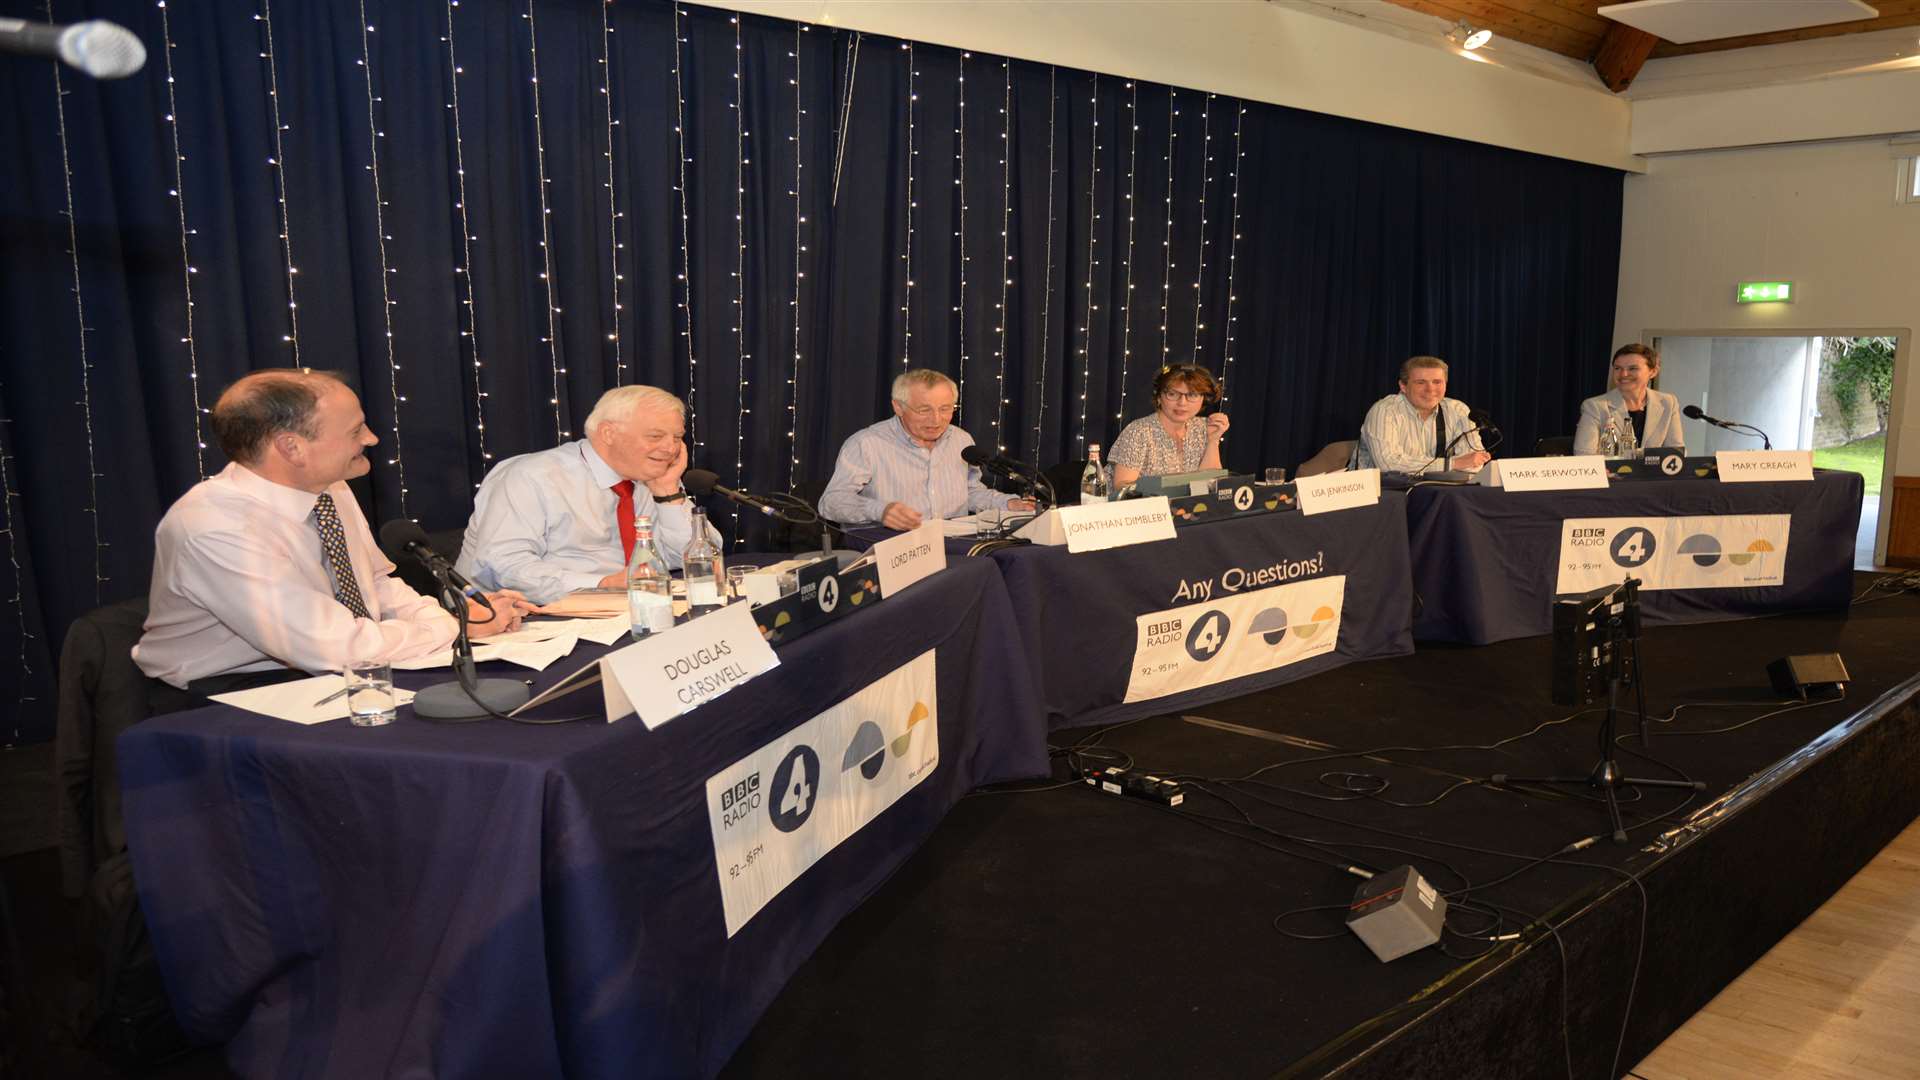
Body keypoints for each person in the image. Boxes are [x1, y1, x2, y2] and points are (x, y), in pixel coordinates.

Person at [134, 370, 533, 693]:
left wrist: (459, 618)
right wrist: (453, 625)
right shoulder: (215, 527)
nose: (371, 439)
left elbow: (376, 585)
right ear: (292, 448)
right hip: (228, 696)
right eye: (355, 431)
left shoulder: (329, 489)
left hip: (329, 671)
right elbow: (334, 647)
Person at [457, 385, 721, 605]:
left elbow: (699, 557)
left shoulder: (645, 479)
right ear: (608, 433)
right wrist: (601, 585)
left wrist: (667, 493)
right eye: (655, 436)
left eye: (677, 437)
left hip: (619, 611)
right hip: (512, 620)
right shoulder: (532, 476)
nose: (670, 448)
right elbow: (504, 567)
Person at [819, 369, 1033, 529]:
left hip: (952, 543)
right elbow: (831, 502)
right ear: (898, 407)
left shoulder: (960, 439)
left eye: (945, 409)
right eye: (924, 410)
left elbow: (969, 492)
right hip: (888, 547)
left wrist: (1008, 503)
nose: (937, 420)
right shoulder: (866, 443)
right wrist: (880, 511)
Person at [1356, 356, 1492, 475]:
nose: (1430, 389)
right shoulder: (1384, 411)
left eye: (1437, 382)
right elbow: (1388, 465)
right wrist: (1451, 464)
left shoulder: (1458, 410)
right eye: (1421, 382)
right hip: (1380, 494)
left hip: (1434, 490)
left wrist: (1461, 464)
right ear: (1403, 386)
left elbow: (1475, 462)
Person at [1108, 363, 1232, 488]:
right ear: (1159, 397)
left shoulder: (1203, 427)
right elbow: (1122, 488)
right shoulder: (1139, 432)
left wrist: (1213, 441)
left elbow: (1210, 485)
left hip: (1184, 507)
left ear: (1203, 399)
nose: (1182, 403)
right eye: (1172, 394)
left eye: (1192, 395)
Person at [1573, 343, 1684, 456]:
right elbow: (1584, 454)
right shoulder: (1594, 406)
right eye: (1617, 368)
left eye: (1632, 368)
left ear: (1653, 372)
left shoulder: (1668, 403)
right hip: (1611, 473)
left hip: (1652, 473)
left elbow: (1675, 452)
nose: (1624, 374)